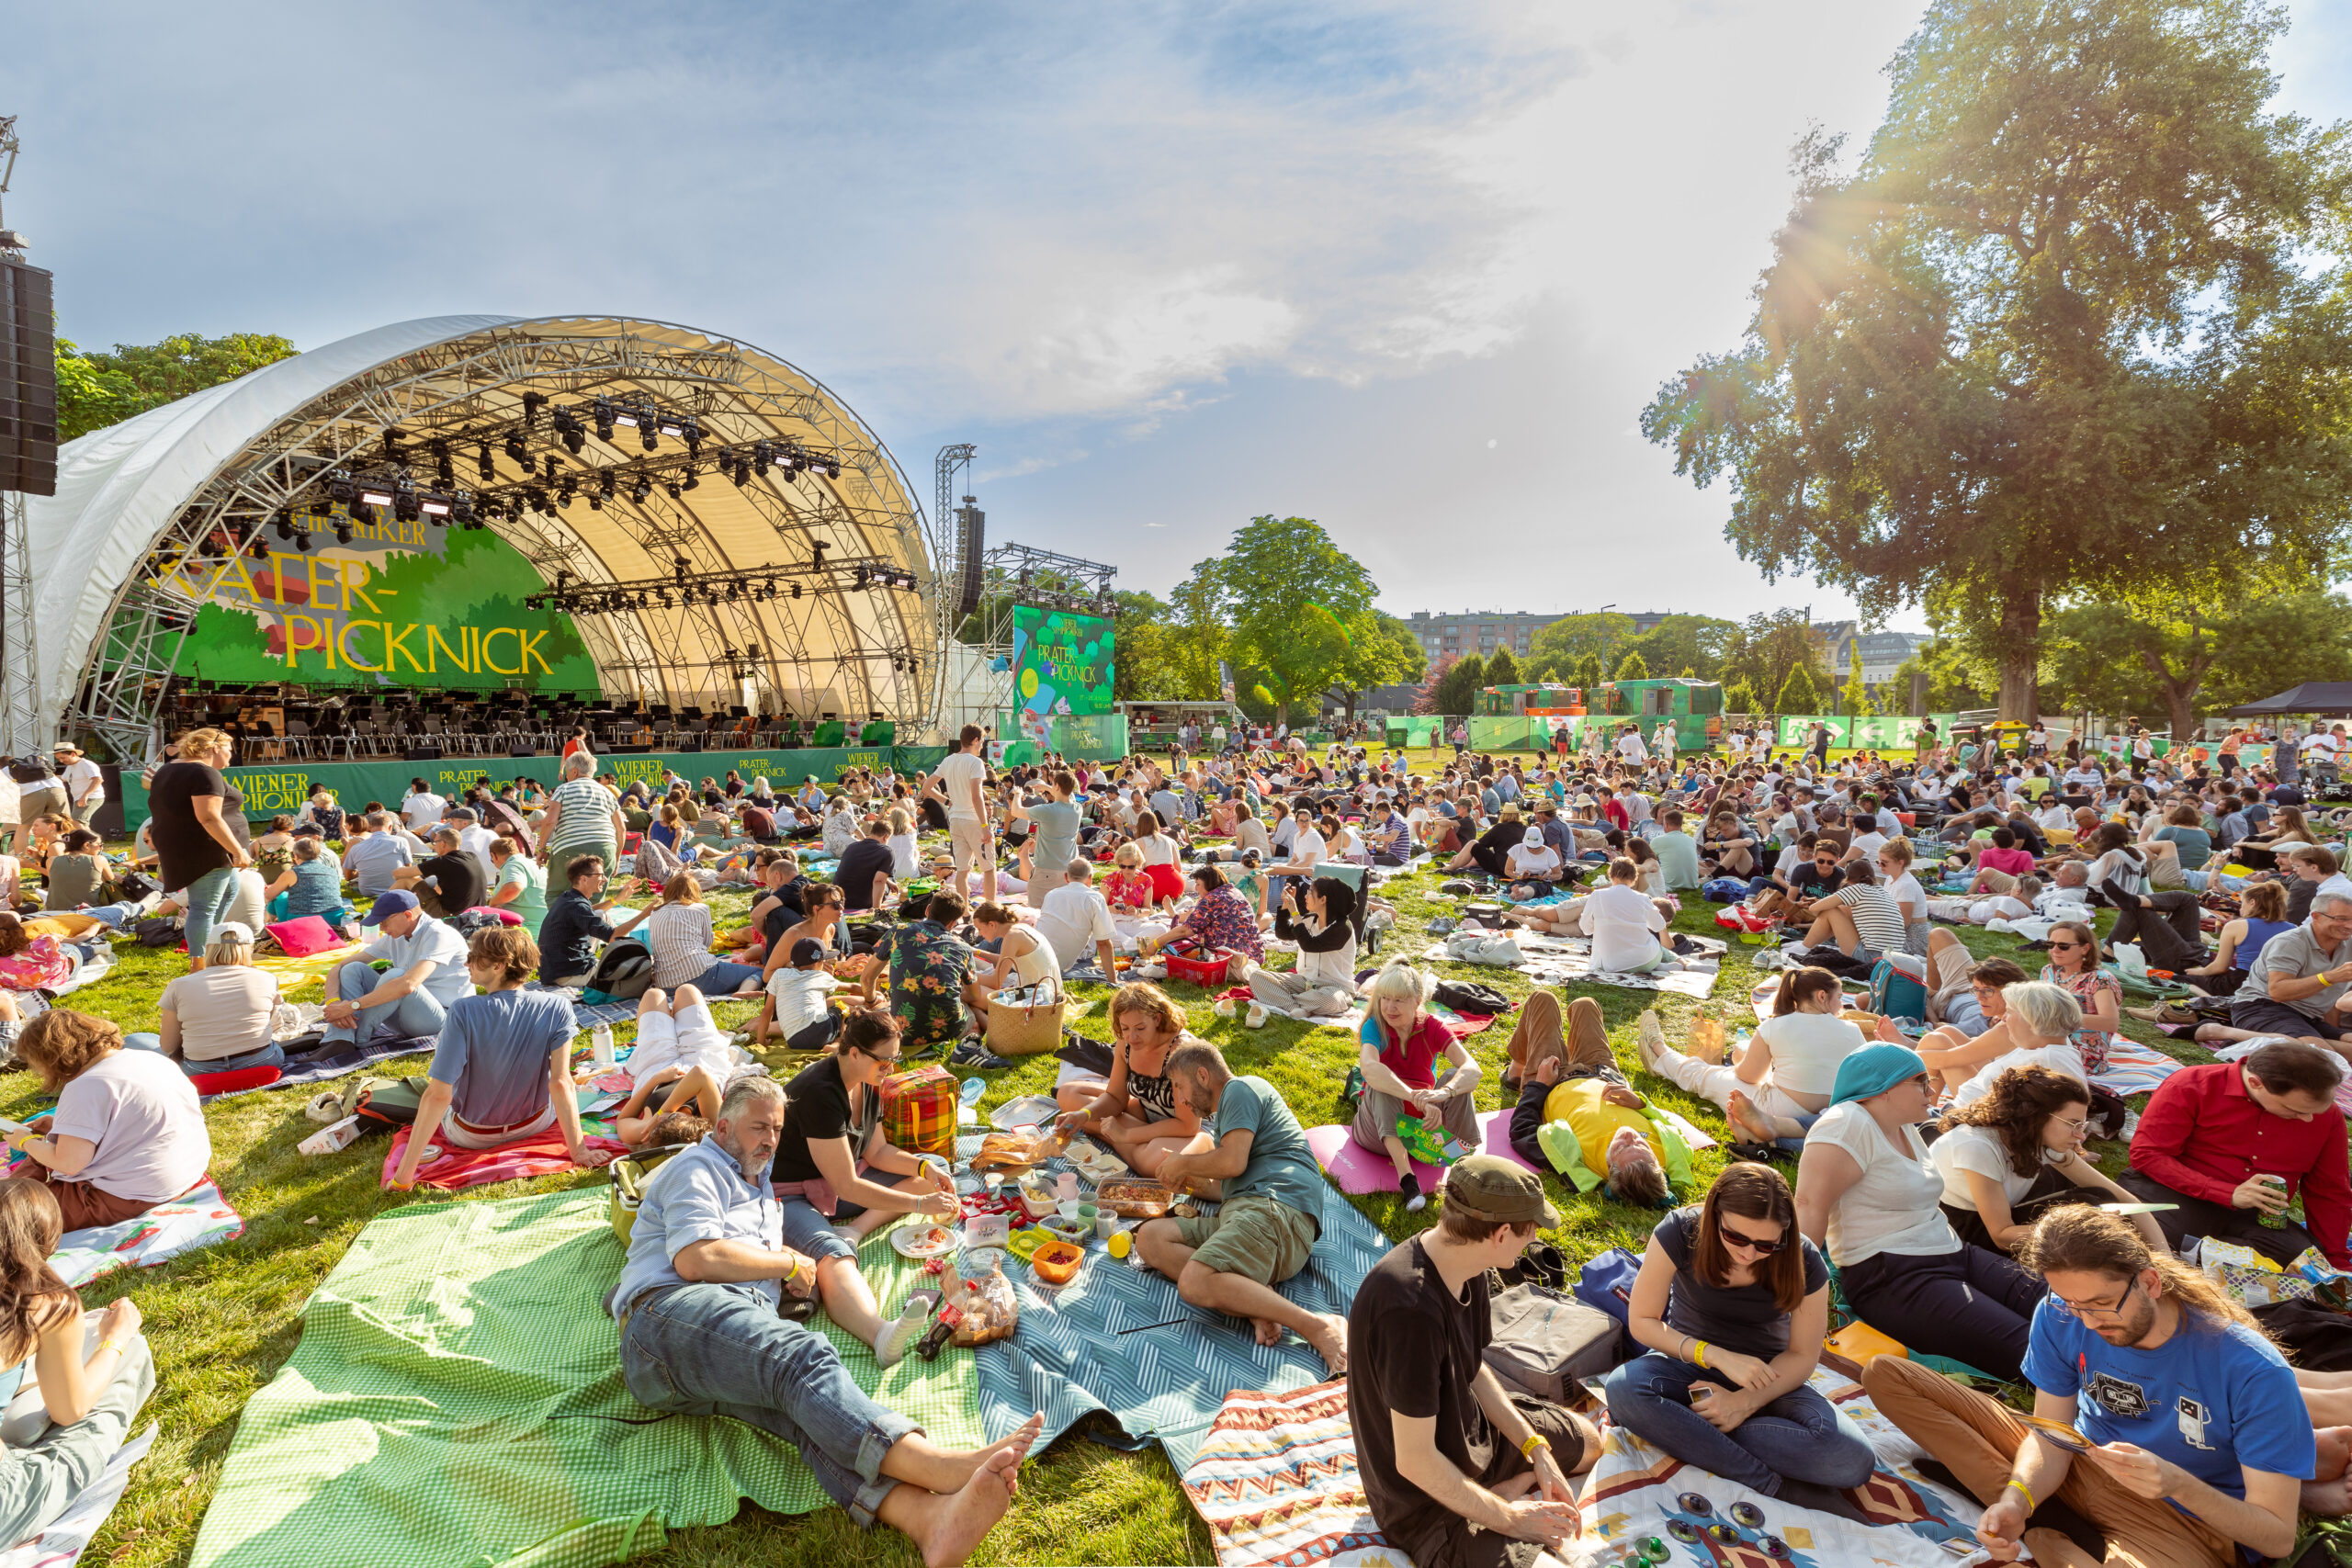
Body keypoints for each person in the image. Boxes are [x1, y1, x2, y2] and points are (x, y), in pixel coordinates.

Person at [608, 1074, 1044, 1564]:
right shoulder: (698, 1167)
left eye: (776, 1128)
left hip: (690, 1361)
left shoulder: (757, 1185)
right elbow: (696, 1258)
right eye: (758, 1128)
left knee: (811, 1414)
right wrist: (788, 1263)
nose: (770, 1139)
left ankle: (926, 1521)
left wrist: (783, 1274)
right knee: (801, 1355)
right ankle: (936, 1466)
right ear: (724, 1128)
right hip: (666, 1321)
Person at [1866, 1207, 2312, 1568]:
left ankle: (2052, 1531)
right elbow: (2051, 1434)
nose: (2089, 1322)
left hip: (2178, 1517)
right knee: (1887, 1375)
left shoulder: (2251, 1368)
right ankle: (2041, 1515)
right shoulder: (2060, 1312)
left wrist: (2178, 1484)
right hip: (2079, 1463)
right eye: (2073, 1305)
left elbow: (2275, 1538)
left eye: (2101, 1304)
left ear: (2150, 1282)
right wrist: (2017, 1499)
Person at [1347, 1156, 1597, 1568]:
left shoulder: (1468, 1265)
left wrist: (1536, 1451)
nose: (1533, 1240)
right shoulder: (1408, 1311)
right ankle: (1493, 1504)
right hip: (1426, 1505)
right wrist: (1512, 1521)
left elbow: (1474, 1368)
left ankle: (1506, 1485)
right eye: (1530, 1231)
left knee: (1589, 1442)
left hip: (1471, 1440)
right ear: (1501, 1234)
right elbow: (1415, 1461)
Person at [1604, 1163, 1876, 1519]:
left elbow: (1802, 1355)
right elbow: (1642, 1322)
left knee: (1851, 1460)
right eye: (1736, 1238)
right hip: (1689, 1371)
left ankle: (1687, 1428)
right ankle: (1774, 1485)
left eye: (1766, 1245)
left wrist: (1743, 1402)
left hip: (1767, 1380)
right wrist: (1715, 1355)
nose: (1749, 1254)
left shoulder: (1805, 1258)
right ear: (1714, 1214)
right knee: (1625, 1388)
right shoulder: (1681, 1230)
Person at [1794, 1043, 2046, 1382]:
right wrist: (1793, 1289)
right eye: (1920, 1081)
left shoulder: (1904, 1126)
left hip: (1953, 1252)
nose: (1932, 1090)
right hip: (1893, 1276)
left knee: (2064, 1305)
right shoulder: (1846, 1124)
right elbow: (1810, 1205)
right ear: (1883, 1088)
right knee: (2032, 1348)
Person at [1137, 1040, 1349, 1373]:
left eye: (1180, 1086)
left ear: (1203, 1075)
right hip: (1247, 1215)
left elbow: (1232, 1162)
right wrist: (1189, 1180)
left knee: (1193, 1281)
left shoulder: (1240, 1089)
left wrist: (1185, 1164)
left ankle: (1316, 1325)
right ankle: (1253, 1300)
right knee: (1149, 1238)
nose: (1181, 1099)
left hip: (1276, 1213)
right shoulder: (1230, 1119)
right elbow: (1228, 1185)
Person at [769, 1009, 966, 1362]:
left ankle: (855, 1230)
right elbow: (848, 1186)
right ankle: (880, 1334)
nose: (891, 1068)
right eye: (884, 1061)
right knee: (831, 1255)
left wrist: (923, 1167)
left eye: (894, 1060)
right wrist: (920, 1205)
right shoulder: (820, 1092)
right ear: (855, 1052)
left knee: (933, 1167)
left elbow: (876, 1152)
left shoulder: (868, 1082)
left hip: (835, 1186)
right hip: (792, 1195)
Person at [0, 1179, 158, 1548]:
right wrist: (115, 1341)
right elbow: (70, 1410)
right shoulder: (47, 1305)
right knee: (126, 1358)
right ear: (46, 1240)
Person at [389, 928, 606, 1189]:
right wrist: (580, 1152)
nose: (466, 962)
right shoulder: (557, 1006)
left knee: (435, 1094)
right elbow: (561, 1083)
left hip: (472, 1135)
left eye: (474, 957)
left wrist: (403, 1177)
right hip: (533, 1124)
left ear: (499, 966)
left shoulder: (463, 1011)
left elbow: (439, 1095)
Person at [2120, 1040, 2349, 1267]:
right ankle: (2200, 1257)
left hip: (2254, 1215)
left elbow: (2329, 1191)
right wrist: (2226, 1193)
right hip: (2173, 1193)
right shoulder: (2192, 1084)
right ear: (2256, 1082)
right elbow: (2148, 1155)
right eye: (2295, 1111)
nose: (2308, 1119)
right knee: (2145, 1238)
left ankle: (2196, 1256)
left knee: (2303, 1262)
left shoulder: (2327, 1116)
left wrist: (2335, 1261)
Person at [6, 1009, 211, 1229]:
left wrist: (24, 1142)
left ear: (52, 1057)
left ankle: (12, 1192)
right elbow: (134, 1122)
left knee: (11, 1214)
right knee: (42, 1149)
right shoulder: (150, 1059)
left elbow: (69, 1163)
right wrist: (59, 1128)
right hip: (183, 1173)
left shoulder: (87, 1085)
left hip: (129, 1196)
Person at [1933, 1064, 2163, 1255]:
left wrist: (2166, 1258)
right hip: (1964, 1226)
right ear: (2035, 1117)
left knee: (2100, 1198)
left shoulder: (2036, 1136)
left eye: (2082, 1125)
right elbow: (2002, 1235)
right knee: (2089, 1222)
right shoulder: (1977, 1146)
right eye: (2073, 1124)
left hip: (2007, 1208)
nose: (2081, 1135)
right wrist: (2079, 1230)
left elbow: (2125, 1199)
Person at [1636, 966, 1861, 1145]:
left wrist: (1738, 1061)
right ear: (1822, 996)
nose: (1842, 1005)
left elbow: (1748, 1077)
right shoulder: (1853, 1030)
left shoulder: (1777, 1025)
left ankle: (1659, 1051)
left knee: (1705, 1074)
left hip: (1778, 1109)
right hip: (1829, 1114)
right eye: (1840, 998)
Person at [1508, 1001, 1689, 1207]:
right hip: (1605, 1074)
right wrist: (1639, 1103)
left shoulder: (1577, 1159)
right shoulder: (1668, 1154)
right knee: (1585, 1005)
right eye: (1641, 1144)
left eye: (1621, 1147)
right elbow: (1667, 1121)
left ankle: (1517, 1069)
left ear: (1609, 1166)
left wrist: (1539, 1085)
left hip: (1553, 1080)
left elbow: (1521, 1130)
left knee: (1543, 1001)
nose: (1630, 1135)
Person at [1351, 963, 1482, 1212]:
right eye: (1385, 999)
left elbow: (1472, 1070)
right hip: (1377, 1132)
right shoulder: (1375, 1026)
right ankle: (1408, 1182)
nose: (1390, 1007)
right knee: (1381, 1083)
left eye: (1399, 1000)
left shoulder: (1432, 1026)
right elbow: (1369, 1068)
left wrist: (1441, 1094)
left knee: (1457, 1076)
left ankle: (1465, 1169)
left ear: (1417, 1000)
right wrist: (1415, 1097)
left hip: (1424, 1134)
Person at [1057, 982, 1216, 1177]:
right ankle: (1127, 1144)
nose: (1132, 1037)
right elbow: (1115, 1098)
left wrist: (1126, 1135)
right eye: (1125, 1028)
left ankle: (1113, 1139)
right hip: (1146, 1117)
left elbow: (1187, 1125)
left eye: (1140, 1028)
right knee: (1067, 1094)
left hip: (1189, 1131)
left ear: (1157, 1019)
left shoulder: (1180, 1052)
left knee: (1158, 1163)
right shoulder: (1126, 1045)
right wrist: (1084, 1115)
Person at [144, 728, 252, 964]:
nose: (231, 755)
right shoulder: (204, 773)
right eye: (229, 749)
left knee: (229, 891)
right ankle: (200, 965)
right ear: (214, 748)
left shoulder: (168, 769)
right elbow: (209, 818)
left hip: (184, 846)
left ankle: (211, 942)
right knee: (204, 908)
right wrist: (237, 850)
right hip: (206, 850)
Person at [122, 922, 285, 1077]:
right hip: (262, 1061)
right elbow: (271, 1025)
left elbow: (168, 1046)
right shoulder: (267, 978)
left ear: (208, 949)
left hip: (199, 1069)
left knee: (133, 1040)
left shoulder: (180, 985)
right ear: (250, 948)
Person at [319, 889, 474, 1048]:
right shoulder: (398, 935)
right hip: (407, 1015)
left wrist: (350, 1006)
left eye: (384, 922)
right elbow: (339, 967)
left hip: (444, 1019)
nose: (381, 928)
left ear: (407, 915)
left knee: (396, 977)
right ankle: (340, 1039)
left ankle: (358, 1039)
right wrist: (334, 1003)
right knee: (352, 969)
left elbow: (408, 985)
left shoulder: (439, 934)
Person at [2224, 890, 2352, 1052]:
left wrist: (2330, 1031)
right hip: (2262, 1007)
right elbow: (2278, 992)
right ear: (2316, 917)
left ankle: (2271, 1042)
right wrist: (2329, 977)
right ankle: (2224, 1032)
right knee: (2321, 1055)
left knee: (2325, 1054)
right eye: (2341, 919)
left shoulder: (2347, 944)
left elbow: (2333, 1001)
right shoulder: (2289, 942)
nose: (2349, 925)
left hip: (2309, 1017)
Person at [1241, 875, 1357, 1021]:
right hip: (1304, 983)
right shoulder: (1310, 920)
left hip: (1334, 988)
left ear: (1323, 899)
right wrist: (1285, 907)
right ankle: (1295, 1007)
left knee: (1330, 1001)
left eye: (1310, 892)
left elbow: (1310, 945)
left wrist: (1295, 912)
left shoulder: (1343, 927)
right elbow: (1283, 933)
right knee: (1256, 977)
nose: (1305, 896)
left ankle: (1285, 1000)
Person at [537, 854, 653, 987]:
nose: (604, 879)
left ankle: (623, 955)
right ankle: (624, 956)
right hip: (568, 975)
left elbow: (590, 912)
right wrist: (644, 915)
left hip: (556, 970)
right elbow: (614, 936)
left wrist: (617, 900)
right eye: (600, 875)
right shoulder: (577, 905)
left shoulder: (569, 898)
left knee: (600, 914)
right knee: (645, 970)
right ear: (583, 879)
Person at [645, 871, 763, 996]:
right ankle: (742, 992)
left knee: (719, 959)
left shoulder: (655, 913)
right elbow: (707, 943)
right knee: (757, 972)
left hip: (665, 983)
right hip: (699, 977)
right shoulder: (700, 909)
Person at [928, 725, 995, 907]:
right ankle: (991, 911)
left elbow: (927, 787)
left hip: (955, 819)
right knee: (989, 868)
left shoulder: (948, 760)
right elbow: (976, 796)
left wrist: (948, 802)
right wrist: (985, 826)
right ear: (974, 740)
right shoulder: (975, 763)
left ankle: (964, 912)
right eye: (981, 742)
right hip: (973, 820)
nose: (982, 745)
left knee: (962, 871)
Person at [1795, 857, 1907, 962]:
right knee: (1842, 909)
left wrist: (1819, 903)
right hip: (1892, 958)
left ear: (1848, 879)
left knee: (1831, 911)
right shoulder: (1882, 892)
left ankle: (1804, 947)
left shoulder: (1858, 889)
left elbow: (1814, 908)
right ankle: (1807, 945)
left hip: (1871, 957)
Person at [537, 752, 624, 881]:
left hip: (569, 848)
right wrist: (616, 859)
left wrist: (542, 849)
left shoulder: (563, 790)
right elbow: (621, 828)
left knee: (558, 895)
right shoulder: (607, 793)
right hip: (605, 848)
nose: (566, 776)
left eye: (567, 772)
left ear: (575, 772)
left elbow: (550, 821)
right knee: (596, 897)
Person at [1582, 857, 1669, 974]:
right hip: (1646, 960)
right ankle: (1671, 964)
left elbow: (1586, 929)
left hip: (1611, 964)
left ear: (1611, 875)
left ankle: (1663, 965)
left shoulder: (1597, 896)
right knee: (1654, 945)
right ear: (1634, 878)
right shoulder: (1643, 898)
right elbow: (1658, 926)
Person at [762, 938, 842, 1051]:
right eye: (823, 961)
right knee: (843, 1012)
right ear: (818, 963)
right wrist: (871, 996)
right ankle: (837, 1045)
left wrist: (760, 1042)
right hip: (821, 1033)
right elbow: (853, 987)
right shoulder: (821, 976)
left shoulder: (779, 975)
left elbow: (767, 1011)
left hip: (794, 1041)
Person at [397, 826, 485, 919]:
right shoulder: (472, 856)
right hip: (476, 912)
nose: (434, 846)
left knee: (405, 880)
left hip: (450, 914)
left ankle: (385, 912)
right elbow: (439, 889)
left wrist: (400, 873)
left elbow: (398, 873)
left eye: (435, 843)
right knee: (431, 881)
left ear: (443, 844)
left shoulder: (442, 861)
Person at [484, 831, 548, 932]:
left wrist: (494, 902)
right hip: (543, 927)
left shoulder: (512, 865)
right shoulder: (534, 864)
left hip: (525, 930)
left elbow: (514, 887)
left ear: (494, 856)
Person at [836, 818, 898, 913]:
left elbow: (859, 870)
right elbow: (879, 881)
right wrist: (876, 908)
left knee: (888, 879)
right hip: (864, 902)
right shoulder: (887, 851)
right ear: (886, 837)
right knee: (890, 876)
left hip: (840, 899)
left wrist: (888, 881)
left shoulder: (852, 846)